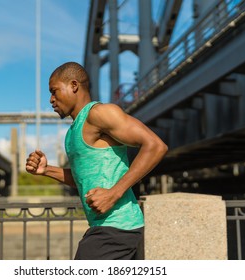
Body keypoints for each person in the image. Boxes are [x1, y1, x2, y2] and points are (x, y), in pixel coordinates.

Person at [26, 62, 168, 260]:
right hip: (107, 229)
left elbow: (155, 146)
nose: (51, 99)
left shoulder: (99, 113)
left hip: (117, 229)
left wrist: (113, 194)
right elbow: (82, 179)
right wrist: (47, 170)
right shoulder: (72, 132)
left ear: (74, 85)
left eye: (54, 91)